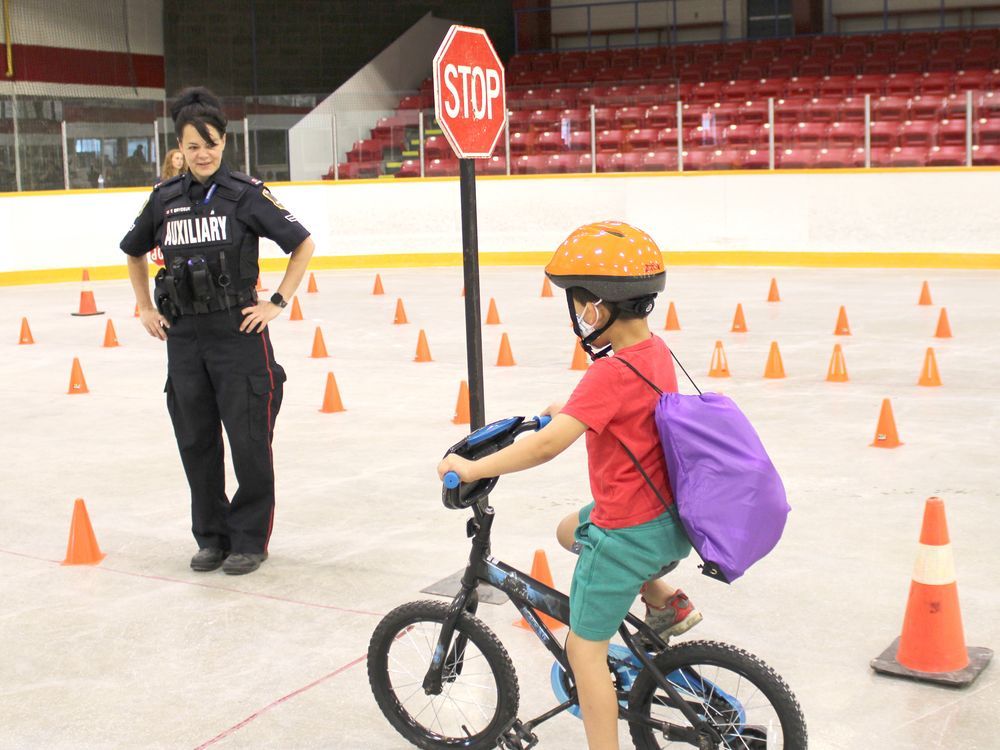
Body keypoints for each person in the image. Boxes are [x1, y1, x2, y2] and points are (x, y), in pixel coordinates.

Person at [437, 221, 700, 750]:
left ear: (599, 306)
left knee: (585, 652)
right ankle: (666, 601)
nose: (577, 313)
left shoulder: (607, 374)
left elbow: (544, 447)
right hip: (669, 519)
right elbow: (625, 410)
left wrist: (473, 469)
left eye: (579, 302)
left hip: (628, 533)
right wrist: (569, 410)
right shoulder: (652, 352)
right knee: (566, 530)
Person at [120, 87, 315, 575]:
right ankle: (211, 537)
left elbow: (303, 244)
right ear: (179, 149)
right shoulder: (165, 199)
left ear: (224, 142)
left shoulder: (245, 195)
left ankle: (248, 538)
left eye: (209, 143)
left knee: (249, 441)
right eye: (192, 145)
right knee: (197, 441)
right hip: (184, 339)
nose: (202, 153)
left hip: (238, 335)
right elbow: (133, 249)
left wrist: (276, 302)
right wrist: (144, 306)